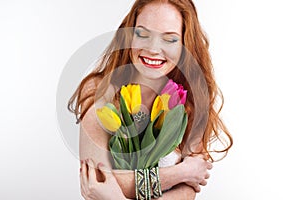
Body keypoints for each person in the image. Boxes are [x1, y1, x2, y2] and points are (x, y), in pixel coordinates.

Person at [68, 0, 233, 199]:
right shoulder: (100, 90)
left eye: (169, 39)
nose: (153, 49)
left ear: (185, 45)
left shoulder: (189, 100)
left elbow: (187, 191)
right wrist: (180, 173)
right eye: (143, 34)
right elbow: (97, 181)